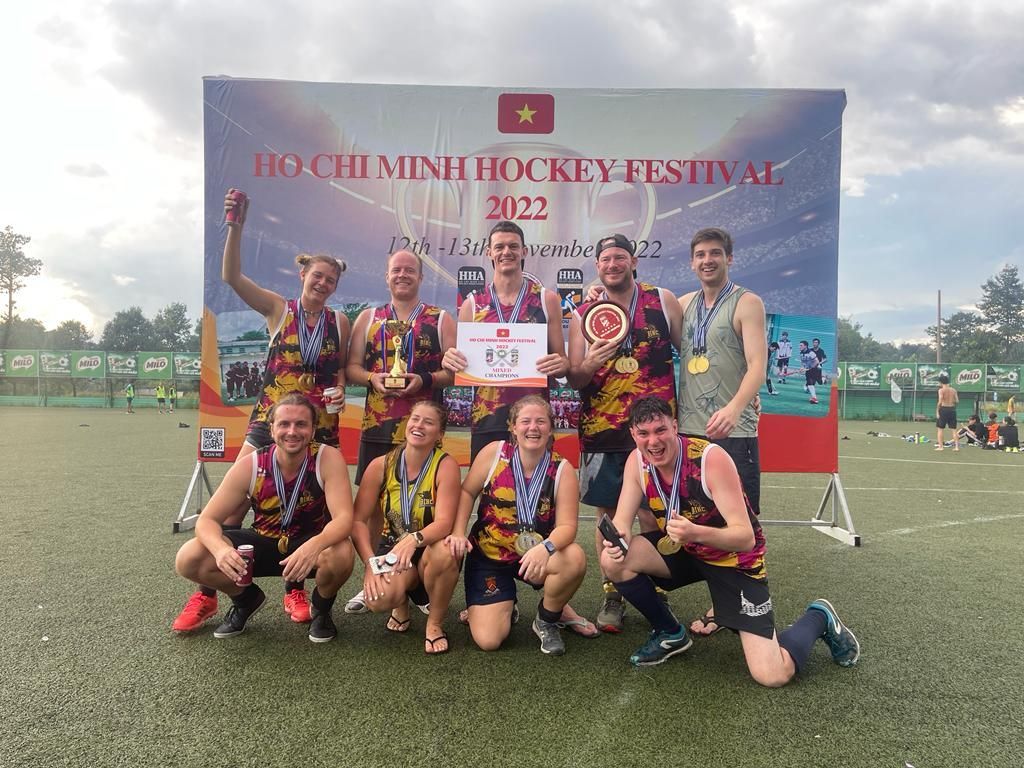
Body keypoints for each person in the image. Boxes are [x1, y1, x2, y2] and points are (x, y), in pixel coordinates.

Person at [171, 188, 350, 632]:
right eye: (317, 275)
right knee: (231, 513)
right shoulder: (277, 309)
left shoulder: (340, 322)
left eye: (330, 280)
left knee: (316, 513)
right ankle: (208, 594)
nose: (323, 283)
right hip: (270, 425)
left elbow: (340, 370)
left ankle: (295, 587)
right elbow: (231, 276)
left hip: (320, 428)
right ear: (303, 274)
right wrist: (235, 226)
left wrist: (341, 391)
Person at [599, 396, 860, 683]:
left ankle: (819, 617)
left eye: (660, 430)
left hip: (733, 559)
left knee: (773, 675)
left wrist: (695, 532)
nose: (653, 441)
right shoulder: (637, 462)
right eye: (644, 433)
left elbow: (745, 538)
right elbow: (622, 521)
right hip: (687, 549)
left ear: (675, 427)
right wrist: (618, 538)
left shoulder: (710, 459)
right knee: (614, 561)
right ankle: (669, 633)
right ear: (633, 434)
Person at [567, 233, 682, 633]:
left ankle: (654, 590)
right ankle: (612, 590)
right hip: (602, 429)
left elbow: (693, 353)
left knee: (653, 512)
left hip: (654, 433)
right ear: (597, 266)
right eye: (605, 259)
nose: (612, 264)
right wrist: (590, 361)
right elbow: (576, 378)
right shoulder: (585, 312)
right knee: (607, 514)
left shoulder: (663, 301)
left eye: (620, 257)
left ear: (633, 261)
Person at [173, 393, 356, 641]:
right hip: (263, 541)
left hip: (308, 546)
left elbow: (344, 519)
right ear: (271, 429)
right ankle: (246, 599)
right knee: (189, 557)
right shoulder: (251, 464)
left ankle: (321, 609)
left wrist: (315, 545)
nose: (292, 431)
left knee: (342, 552)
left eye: (301, 424)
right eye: (284, 424)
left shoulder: (327, 458)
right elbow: (207, 520)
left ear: (313, 430)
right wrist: (220, 550)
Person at [342, 250, 456, 615]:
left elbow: (455, 372)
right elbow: (352, 368)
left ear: (421, 277)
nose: (402, 275)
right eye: (396, 270)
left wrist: (424, 379)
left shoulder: (440, 319)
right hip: (378, 424)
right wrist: (372, 378)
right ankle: (376, 575)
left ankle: (417, 579)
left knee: (426, 502)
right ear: (387, 276)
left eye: (410, 270)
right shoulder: (368, 318)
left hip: (423, 427)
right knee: (376, 506)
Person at [677, 227, 767, 636]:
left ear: (729, 258)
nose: (707, 260)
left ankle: (736, 604)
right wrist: (594, 291)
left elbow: (758, 365)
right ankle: (721, 600)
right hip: (689, 433)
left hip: (734, 430)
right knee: (702, 517)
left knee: (741, 521)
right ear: (692, 262)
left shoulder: (747, 303)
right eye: (700, 254)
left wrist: (735, 407)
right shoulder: (683, 305)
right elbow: (635, 311)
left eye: (715, 253)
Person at [447, 395, 588, 656]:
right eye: (525, 421)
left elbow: (567, 526)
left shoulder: (562, 469)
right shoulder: (494, 453)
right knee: (489, 640)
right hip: (490, 556)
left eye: (541, 421)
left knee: (574, 558)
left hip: (535, 557)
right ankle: (504, 604)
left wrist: (545, 548)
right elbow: (467, 492)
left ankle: (547, 618)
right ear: (513, 427)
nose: (533, 428)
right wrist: (457, 532)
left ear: (550, 428)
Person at [442, 221, 568, 462]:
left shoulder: (546, 300)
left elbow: (562, 362)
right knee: (487, 482)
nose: (506, 252)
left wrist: (560, 364)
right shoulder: (472, 305)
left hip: (534, 419)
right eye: (499, 247)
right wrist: (450, 359)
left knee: (536, 483)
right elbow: (459, 364)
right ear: (489, 252)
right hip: (486, 417)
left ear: (524, 251)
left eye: (513, 246)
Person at [350, 401, 461, 654]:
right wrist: (370, 563)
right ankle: (401, 602)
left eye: (428, 422)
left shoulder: (445, 465)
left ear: (440, 434)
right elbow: (357, 521)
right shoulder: (381, 465)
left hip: (429, 547)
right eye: (415, 419)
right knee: (378, 599)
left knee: (447, 553)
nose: (419, 425)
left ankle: (434, 624)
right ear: (407, 423)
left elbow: (444, 523)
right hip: (393, 548)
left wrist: (414, 539)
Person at [934, 374, 959, 451]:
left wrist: (937, 411)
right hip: (952, 410)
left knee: (940, 429)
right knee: (954, 430)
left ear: (941, 382)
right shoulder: (954, 390)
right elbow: (957, 401)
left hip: (943, 409)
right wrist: (952, 403)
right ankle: (956, 447)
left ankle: (941, 447)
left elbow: (940, 401)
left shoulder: (941, 390)